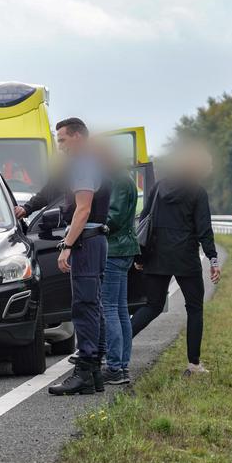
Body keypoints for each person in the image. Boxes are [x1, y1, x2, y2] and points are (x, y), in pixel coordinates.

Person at [131, 143, 221, 377]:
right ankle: (193, 365)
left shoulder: (160, 186)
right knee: (194, 309)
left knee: (151, 306)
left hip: (156, 255)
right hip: (185, 259)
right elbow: (204, 230)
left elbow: (144, 220)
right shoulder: (197, 192)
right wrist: (212, 259)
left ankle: (115, 348)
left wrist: (140, 255)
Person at [45, 118, 111, 396]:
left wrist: (67, 245)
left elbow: (82, 209)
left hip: (87, 241)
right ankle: (93, 370)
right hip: (96, 239)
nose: (60, 147)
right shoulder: (93, 161)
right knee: (92, 304)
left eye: (62, 140)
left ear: (78, 137)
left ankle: (84, 370)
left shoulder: (83, 163)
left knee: (84, 307)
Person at [100, 158, 140, 385]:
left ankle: (114, 366)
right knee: (121, 309)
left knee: (111, 309)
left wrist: (92, 223)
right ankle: (122, 366)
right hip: (124, 248)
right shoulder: (125, 178)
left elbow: (113, 217)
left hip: (114, 248)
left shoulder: (117, 180)